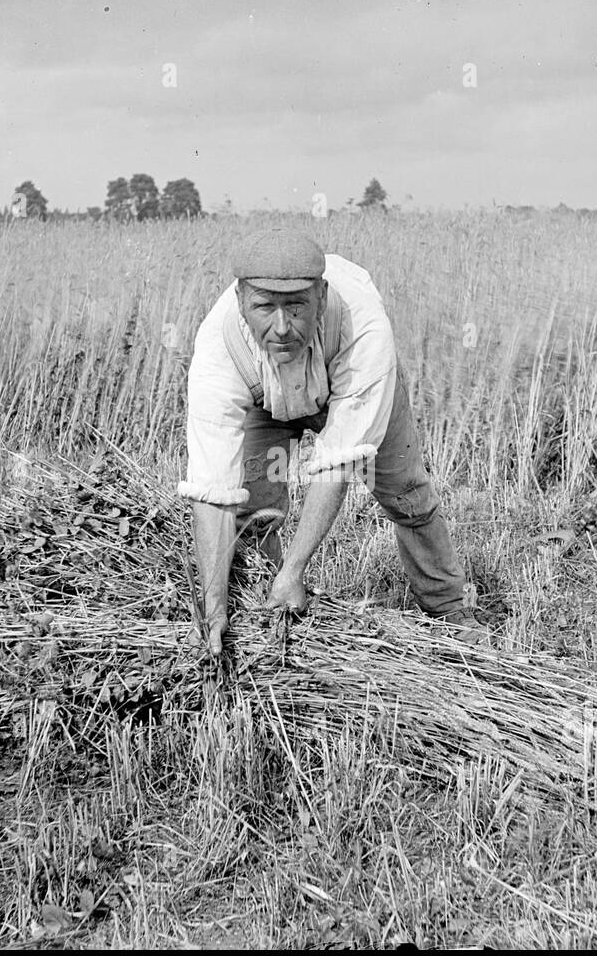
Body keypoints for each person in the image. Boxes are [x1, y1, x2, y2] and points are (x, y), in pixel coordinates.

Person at [179, 229, 486, 655]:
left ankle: (450, 609)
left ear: (321, 298)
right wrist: (212, 606)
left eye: (297, 307)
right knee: (254, 509)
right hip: (264, 400)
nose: (281, 328)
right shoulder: (219, 347)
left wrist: (297, 568)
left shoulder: (364, 327)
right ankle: (263, 610)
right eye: (265, 307)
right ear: (240, 302)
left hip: (347, 388)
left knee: (407, 496)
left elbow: (338, 461)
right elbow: (213, 491)